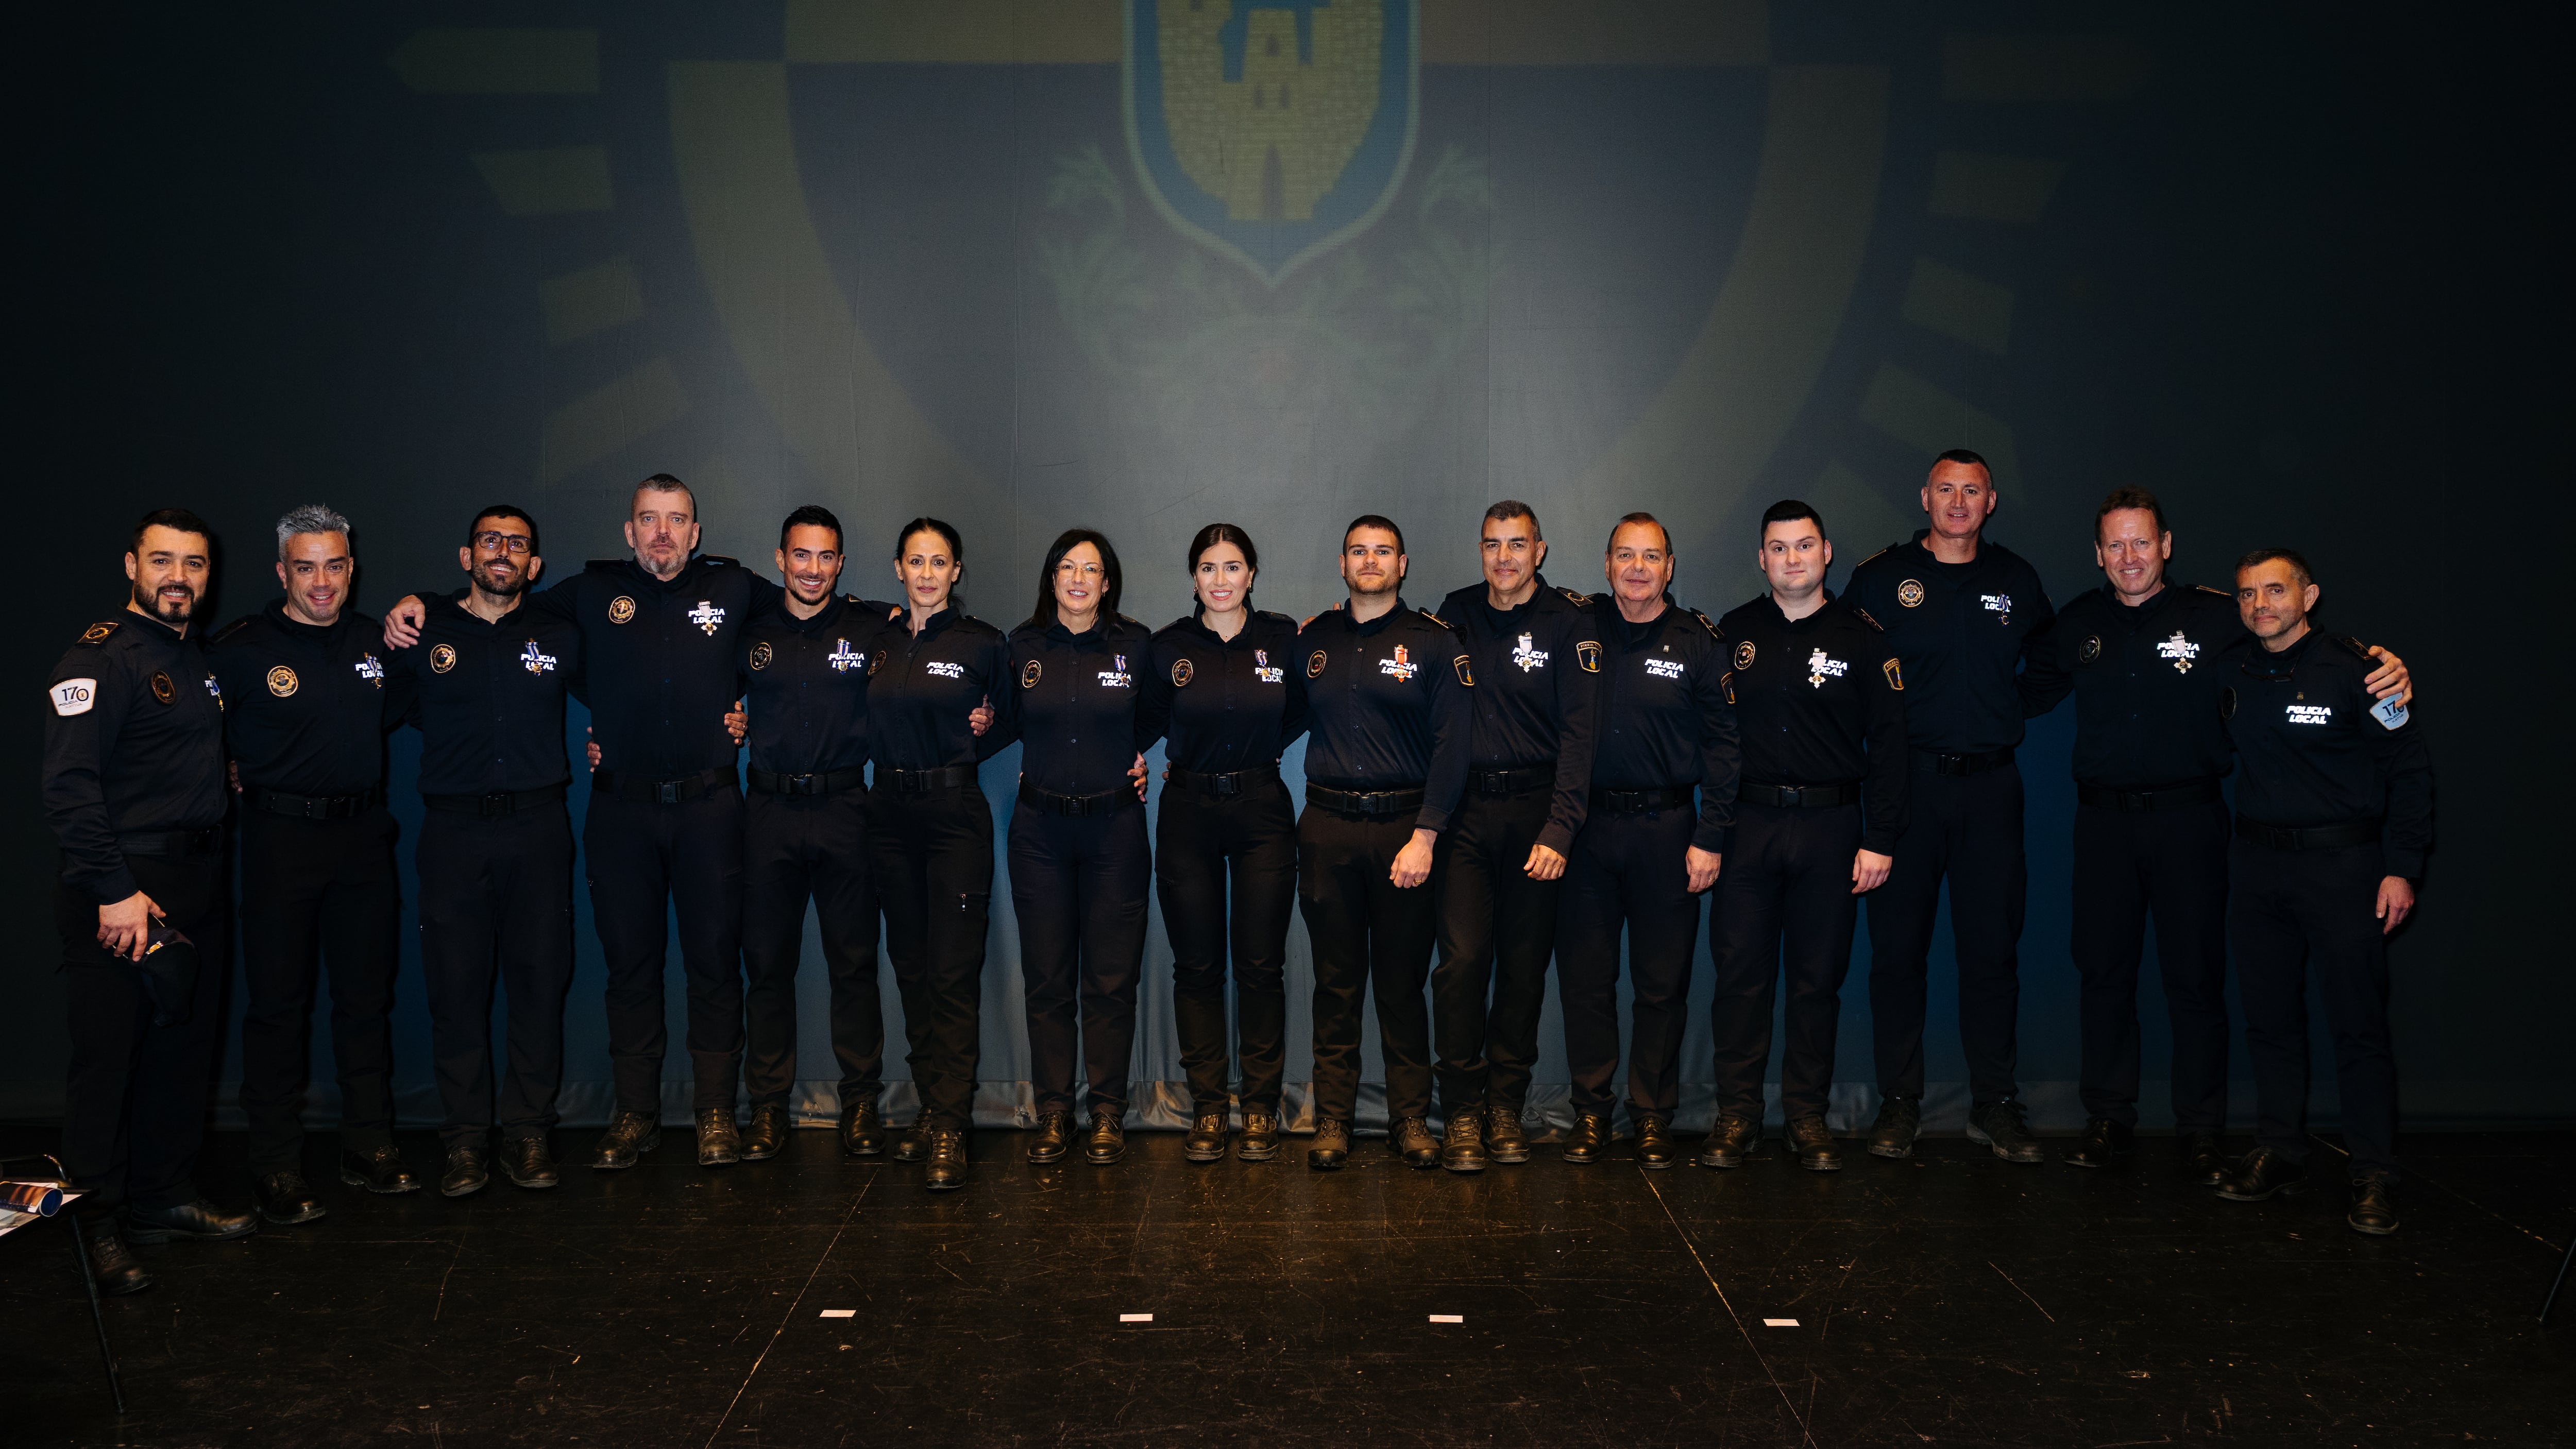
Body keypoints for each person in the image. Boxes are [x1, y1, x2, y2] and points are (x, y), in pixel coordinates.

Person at [385, 474, 776, 1170]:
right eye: (648, 520)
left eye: (676, 519)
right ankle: (636, 1115)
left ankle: (717, 1114)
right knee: (630, 968)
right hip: (620, 812)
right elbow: (498, 598)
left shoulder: (738, 588)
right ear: (629, 532)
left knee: (715, 965)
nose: (662, 532)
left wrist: (885, 620)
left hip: (711, 810)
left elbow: (809, 618)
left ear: (696, 532)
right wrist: (422, 601)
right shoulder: (587, 594)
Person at [2019, 489, 2411, 1178]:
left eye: (2142, 542)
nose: (2129, 557)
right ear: (2098, 555)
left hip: (2191, 822)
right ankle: (2108, 1118)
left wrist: (2382, 664)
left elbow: (2298, 643)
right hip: (2103, 824)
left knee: (2196, 981)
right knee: (2103, 976)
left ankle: (2202, 1128)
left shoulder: (2218, 616)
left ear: (2166, 545)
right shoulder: (2075, 622)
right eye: (2115, 545)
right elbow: (2021, 692)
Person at [44, 510, 257, 1293]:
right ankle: (95, 1225)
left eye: (194, 565)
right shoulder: (102, 658)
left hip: (196, 884)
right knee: (109, 1065)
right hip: (125, 891)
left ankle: (163, 1197)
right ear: (131, 564)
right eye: (163, 561)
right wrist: (115, 892)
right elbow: (69, 788)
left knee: (181, 1054)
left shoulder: (193, 657)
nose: (180, 577)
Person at [1842, 449, 2054, 1162]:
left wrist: (2004, 711)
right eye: (1946, 489)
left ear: (1991, 501)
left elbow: (2054, 666)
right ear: (1924, 497)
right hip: (1907, 789)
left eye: (1972, 490)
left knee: (1991, 953)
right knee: (1898, 954)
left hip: (1992, 788)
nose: (1959, 501)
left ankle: (1994, 1104)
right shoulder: (1878, 579)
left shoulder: (2016, 579)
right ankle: (1899, 1104)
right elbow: (1843, 670)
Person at [2212, 549, 2432, 1235]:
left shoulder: (2362, 670)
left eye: (2274, 590)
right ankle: (2281, 1150)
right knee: (2270, 1022)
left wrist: (2402, 868)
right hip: (2257, 870)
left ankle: (2372, 1171)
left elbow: (2412, 772)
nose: (2260, 605)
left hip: (2344, 872)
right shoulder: (2231, 669)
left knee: (2357, 1026)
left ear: (2309, 596)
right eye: (2248, 594)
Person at [211, 505, 409, 1218]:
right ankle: (274, 1164)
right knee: (277, 1008)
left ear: (351, 570)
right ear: (281, 573)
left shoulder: (377, 642)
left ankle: (369, 1144)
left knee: (365, 1001)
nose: (321, 582)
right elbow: (186, 733)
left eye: (334, 565)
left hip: (362, 842)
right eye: (305, 567)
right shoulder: (238, 648)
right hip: (279, 843)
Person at [383, 505, 584, 1196]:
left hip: (539, 827)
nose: (503, 552)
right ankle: (466, 1140)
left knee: (538, 984)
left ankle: (528, 1133)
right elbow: (359, 708)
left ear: (534, 564)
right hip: (454, 833)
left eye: (518, 544)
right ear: (467, 556)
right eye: (489, 541)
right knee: (457, 989)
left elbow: (633, 685)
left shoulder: (559, 633)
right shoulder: (421, 631)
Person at [1704, 501, 1907, 1171]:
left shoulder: (1863, 637)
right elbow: (1712, 740)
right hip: (1748, 825)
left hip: (1831, 827)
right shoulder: (1732, 633)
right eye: (1779, 548)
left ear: (1826, 554)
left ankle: (1806, 1116)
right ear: (1762, 559)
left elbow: (1893, 746)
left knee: (1816, 980)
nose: (1793, 559)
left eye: (1804, 546)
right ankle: (1736, 1114)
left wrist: (1879, 838)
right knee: (1740, 977)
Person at [1554, 514, 1739, 1168]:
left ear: (1668, 566)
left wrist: (1711, 833)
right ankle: (1590, 1111)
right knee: (1585, 981)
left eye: (1650, 557)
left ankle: (1653, 1115)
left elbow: (1724, 745)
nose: (1637, 568)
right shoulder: (1575, 626)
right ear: (1605, 564)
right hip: (1585, 830)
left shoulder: (1697, 639)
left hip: (1669, 831)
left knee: (1660, 984)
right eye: (1624, 556)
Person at [1425, 502, 1599, 1172]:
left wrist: (1560, 827)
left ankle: (1505, 1108)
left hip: (1537, 819)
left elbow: (1580, 737)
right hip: (1467, 816)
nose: (1504, 557)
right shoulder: (1454, 613)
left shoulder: (1567, 622)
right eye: (1493, 544)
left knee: (1524, 970)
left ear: (1541, 550)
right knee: (1463, 962)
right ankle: (1462, 1111)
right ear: (1480, 550)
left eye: (1517, 544)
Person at [1296, 516, 1473, 1170]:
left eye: (1382, 552)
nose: (1369, 562)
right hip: (1326, 829)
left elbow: (1453, 748)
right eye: (1358, 552)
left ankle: (1409, 1119)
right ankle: (1334, 1120)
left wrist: (1425, 835)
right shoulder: (1312, 640)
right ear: (1341, 563)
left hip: (1406, 832)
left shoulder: (1432, 642)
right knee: (1335, 984)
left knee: (1401, 985)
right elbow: (1272, 717)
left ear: (1403, 564)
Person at [734, 507, 902, 1163]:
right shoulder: (746, 631)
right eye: (800, 556)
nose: (812, 568)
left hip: (844, 808)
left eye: (826, 556)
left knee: (853, 964)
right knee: (767, 968)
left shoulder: (872, 626)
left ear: (840, 562)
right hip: (768, 811)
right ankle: (769, 1108)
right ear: (779, 559)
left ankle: (861, 1103)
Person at [1135, 525, 1306, 1163]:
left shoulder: (1283, 640)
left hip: (1262, 807)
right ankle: (1208, 1107)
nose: (1220, 579)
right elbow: (1140, 723)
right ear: (1194, 577)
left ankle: (1259, 1107)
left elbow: (1302, 710)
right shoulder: (1168, 647)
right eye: (1207, 567)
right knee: (1197, 966)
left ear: (1251, 574)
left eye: (1232, 566)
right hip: (1187, 811)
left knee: (1260, 965)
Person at [988, 530, 1157, 1166]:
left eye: (1091, 568)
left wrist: (1133, 757)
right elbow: (998, 720)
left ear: (1107, 582)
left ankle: (1107, 1111)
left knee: (1111, 981)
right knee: (1048, 979)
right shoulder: (1021, 646)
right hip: (1040, 834)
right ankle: (1055, 1112)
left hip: (1115, 830)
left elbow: (1164, 708)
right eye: (1066, 567)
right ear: (1050, 578)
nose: (1079, 578)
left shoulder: (1135, 645)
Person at [866, 518, 1011, 1190]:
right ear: (899, 567)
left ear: (957, 572)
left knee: (952, 974)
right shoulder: (875, 639)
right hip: (890, 818)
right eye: (916, 560)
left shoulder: (983, 644)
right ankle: (932, 1107)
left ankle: (951, 1125)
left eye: (940, 562)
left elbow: (1009, 715)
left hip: (955, 818)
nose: (927, 572)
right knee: (912, 968)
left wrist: (978, 732)